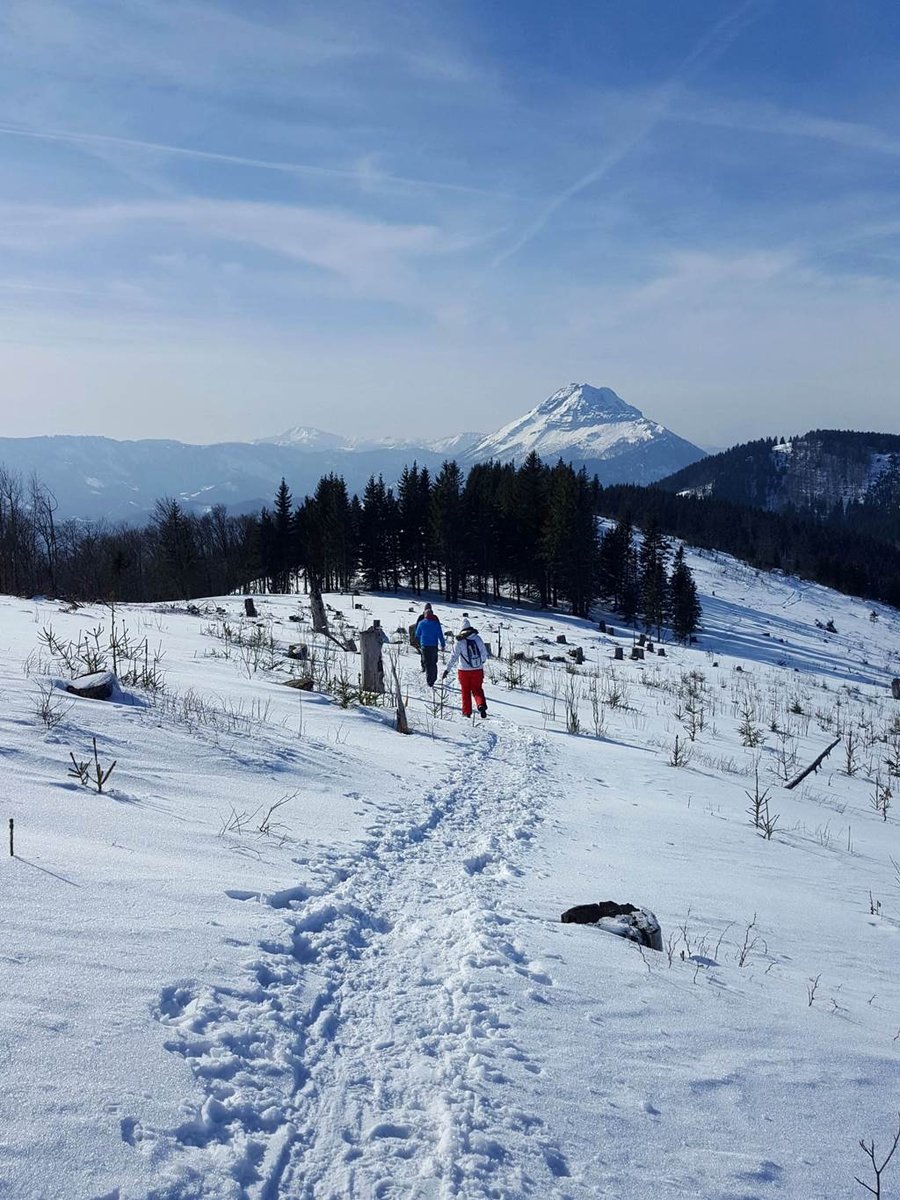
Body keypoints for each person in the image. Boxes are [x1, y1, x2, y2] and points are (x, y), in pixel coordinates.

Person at [442, 618, 490, 717]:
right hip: (478, 669)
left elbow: (453, 657)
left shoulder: (459, 641)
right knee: (477, 689)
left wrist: (447, 669)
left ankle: (467, 712)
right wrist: (481, 662)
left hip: (463, 671)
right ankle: (481, 705)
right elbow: (484, 653)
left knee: (465, 691)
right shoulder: (477, 638)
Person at [415, 603, 445, 687]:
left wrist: (418, 640)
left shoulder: (421, 623)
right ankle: (434, 678)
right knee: (433, 662)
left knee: (427, 663)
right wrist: (442, 644)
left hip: (424, 645)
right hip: (433, 646)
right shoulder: (436, 623)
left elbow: (417, 634)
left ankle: (429, 681)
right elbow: (440, 634)